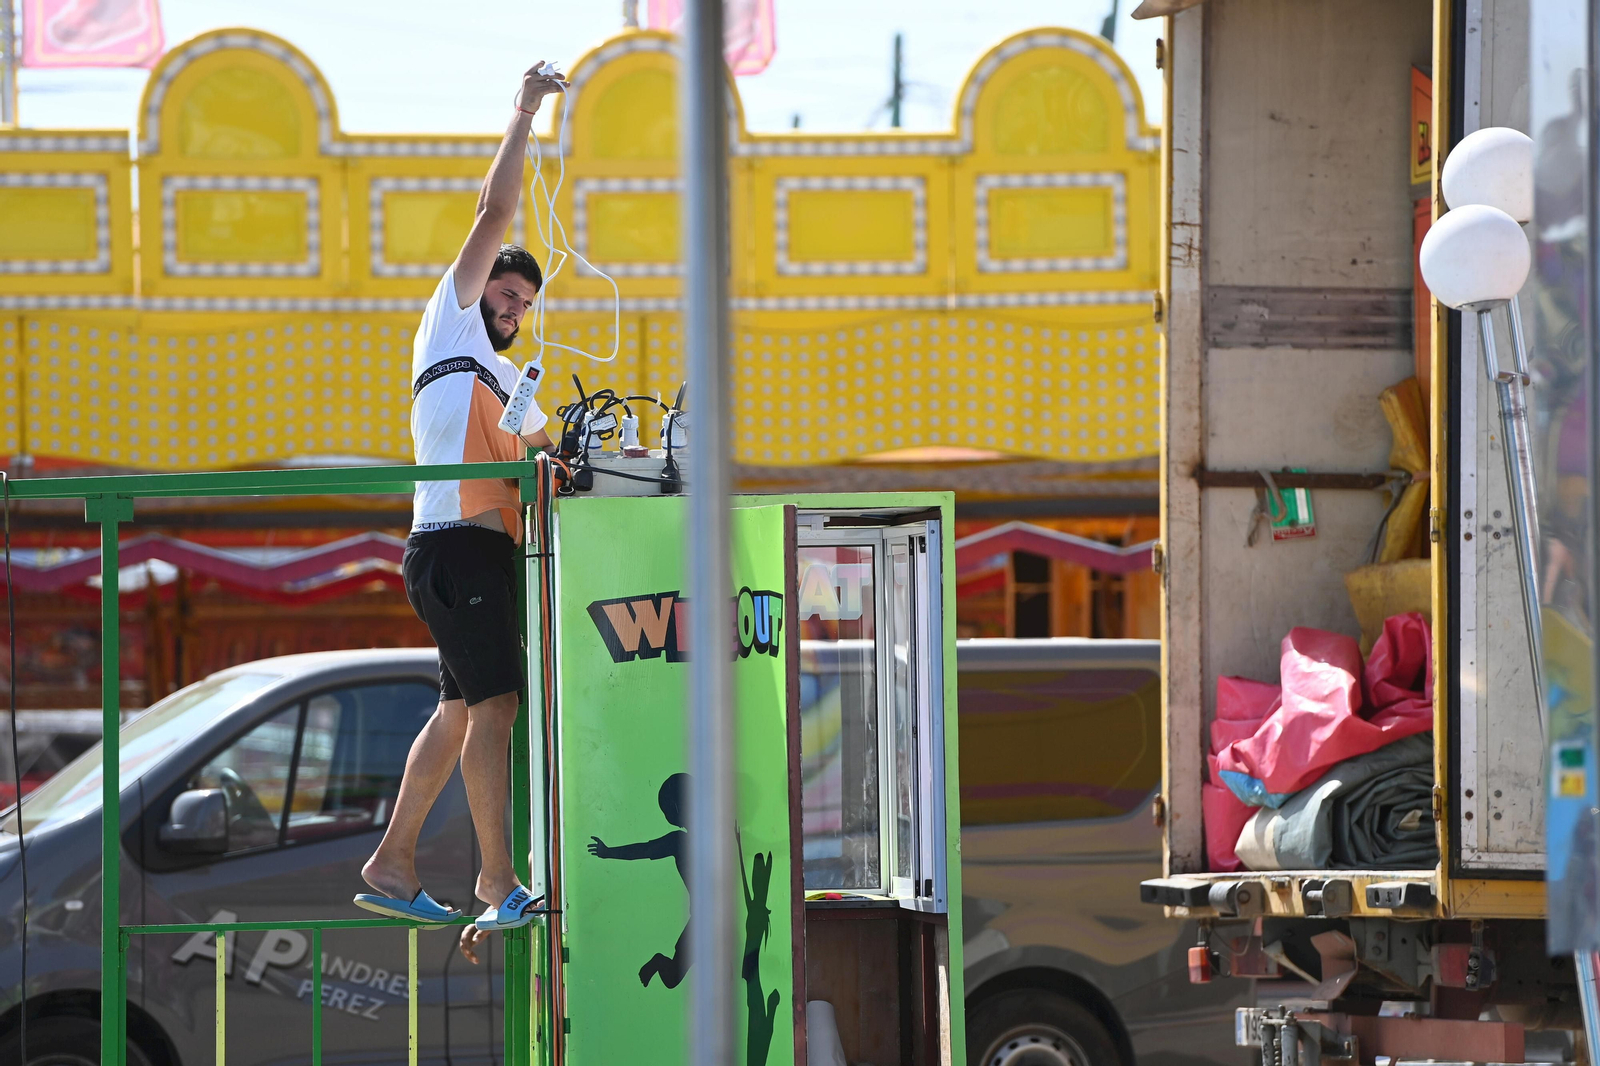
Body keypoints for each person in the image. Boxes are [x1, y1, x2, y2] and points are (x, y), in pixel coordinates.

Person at [353, 59, 566, 933]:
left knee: (454, 711)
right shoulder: (451, 317)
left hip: (467, 554)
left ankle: (392, 861)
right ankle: (495, 881)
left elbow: (556, 451)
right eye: (505, 294)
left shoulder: (508, 374)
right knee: (499, 705)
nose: (511, 309)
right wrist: (524, 112)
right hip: (453, 548)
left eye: (522, 303)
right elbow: (497, 212)